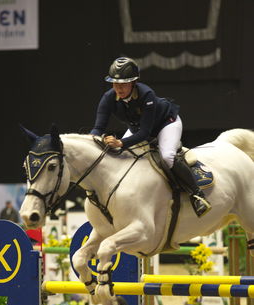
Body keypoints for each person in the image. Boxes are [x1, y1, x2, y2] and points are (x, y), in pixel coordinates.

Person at [90, 57, 211, 217]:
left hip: (166, 123)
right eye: (115, 83)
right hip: (137, 127)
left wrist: (120, 142)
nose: (118, 88)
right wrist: (89, 142)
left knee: (167, 157)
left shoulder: (146, 94)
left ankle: (197, 196)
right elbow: (98, 128)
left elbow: (145, 134)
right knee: (119, 156)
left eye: (123, 84)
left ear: (133, 83)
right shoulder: (108, 98)